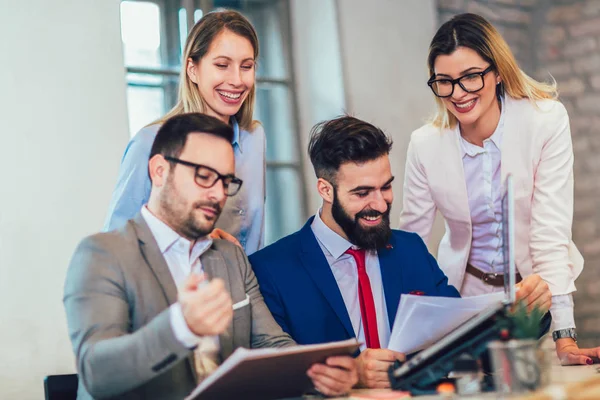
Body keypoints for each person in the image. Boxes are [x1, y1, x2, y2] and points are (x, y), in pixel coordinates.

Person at [64, 113, 357, 399]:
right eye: (204, 176)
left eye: (226, 181)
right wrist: (181, 326)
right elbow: (97, 373)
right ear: (159, 171)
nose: (218, 194)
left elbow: (270, 342)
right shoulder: (102, 254)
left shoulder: (231, 257)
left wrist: (315, 372)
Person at [249, 115, 550, 389]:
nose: (380, 205)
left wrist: (525, 313)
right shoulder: (271, 269)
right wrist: (353, 373)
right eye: (362, 193)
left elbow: (466, 343)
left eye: (386, 187)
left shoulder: (410, 250)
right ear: (325, 190)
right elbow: (272, 377)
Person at [398, 13, 600, 365]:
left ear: (498, 72)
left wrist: (564, 338)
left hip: (534, 300)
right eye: (444, 82)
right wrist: (406, 330)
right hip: (462, 301)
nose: (458, 94)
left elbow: (550, 233)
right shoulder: (425, 144)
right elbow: (409, 244)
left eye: (471, 78)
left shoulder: (545, 121)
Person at [104, 10, 266, 255]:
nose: (236, 80)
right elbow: (117, 243)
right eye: (222, 65)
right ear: (192, 69)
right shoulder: (150, 142)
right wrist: (195, 239)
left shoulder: (254, 138)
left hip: (245, 290)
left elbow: (255, 237)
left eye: (246, 66)